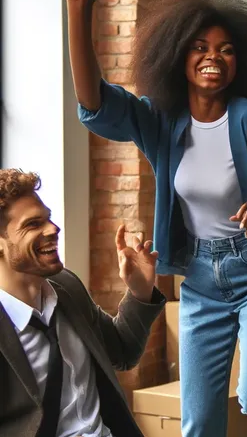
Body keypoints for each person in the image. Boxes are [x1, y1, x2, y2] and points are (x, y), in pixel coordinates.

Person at [66, 0, 247, 437]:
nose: (213, 58)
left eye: (225, 49)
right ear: (177, 55)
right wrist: (78, 9)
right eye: (199, 48)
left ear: (240, 60)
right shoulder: (161, 122)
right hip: (201, 280)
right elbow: (95, 103)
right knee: (200, 423)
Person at [0, 169, 165, 437]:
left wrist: (139, 291)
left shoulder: (67, 286)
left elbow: (122, 352)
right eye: (32, 224)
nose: (53, 229)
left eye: (48, 218)